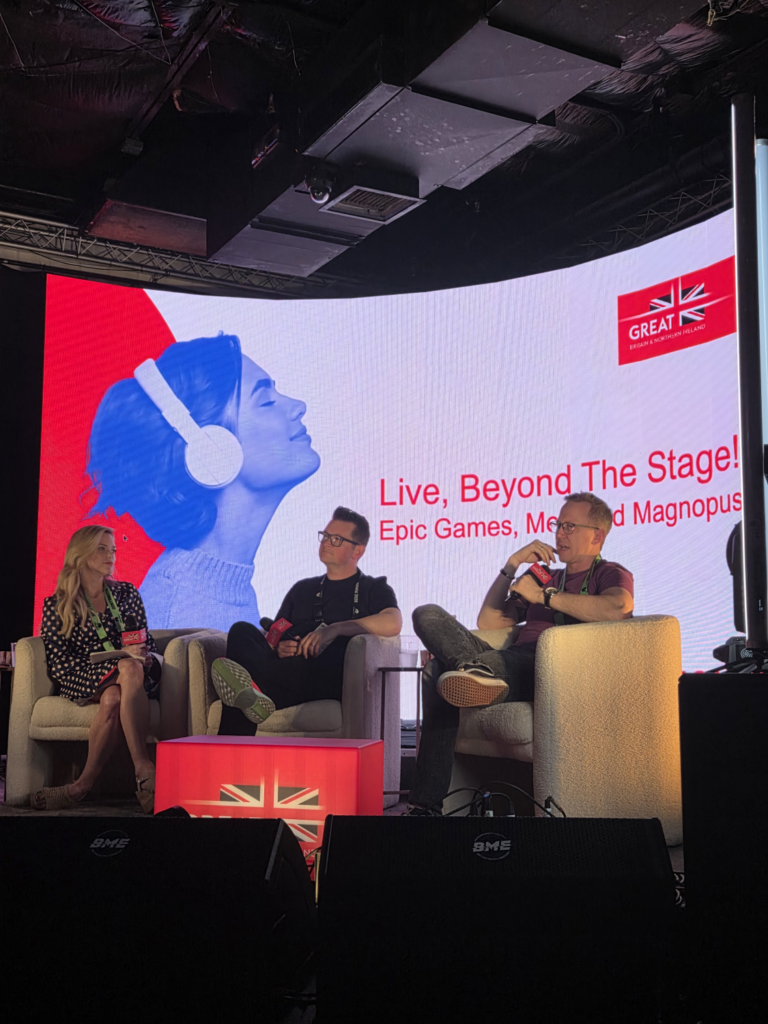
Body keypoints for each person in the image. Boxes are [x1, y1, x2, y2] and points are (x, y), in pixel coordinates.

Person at [405, 492, 634, 815]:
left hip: (547, 666)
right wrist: (512, 565)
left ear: (597, 535)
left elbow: (618, 607)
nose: (559, 533)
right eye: (558, 525)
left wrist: (546, 597)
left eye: (570, 526)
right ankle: (476, 672)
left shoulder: (607, 572)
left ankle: (424, 805)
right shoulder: (546, 574)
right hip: (511, 658)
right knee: (426, 613)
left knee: (434, 673)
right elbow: (490, 621)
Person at [87, 333, 320, 631]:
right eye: (265, 401)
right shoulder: (180, 609)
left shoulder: (221, 590)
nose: (297, 405)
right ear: (211, 449)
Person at [212, 507, 402, 733]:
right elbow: (275, 634)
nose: (326, 543)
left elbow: (393, 622)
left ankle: (237, 730)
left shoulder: (373, 588)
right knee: (241, 630)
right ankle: (252, 694)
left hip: (321, 676)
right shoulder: (302, 589)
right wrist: (279, 647)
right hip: (283, 669)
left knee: (242, 684)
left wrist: (336, 629)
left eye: (336, 539)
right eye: (325, 536)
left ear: (357, 551)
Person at [32, 525, 162, 812]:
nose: (110, 555)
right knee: (127, 667)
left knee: (116, 693)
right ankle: (144, 769)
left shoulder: (127, 593)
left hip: (132, 675)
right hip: (80, 675)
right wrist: (117, 658)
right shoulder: (57, 605)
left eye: (112, 549)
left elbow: (145, 638)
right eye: (102, 549)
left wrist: (144, 653)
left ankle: (81, 786)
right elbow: (60, 662)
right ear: (81, 554)